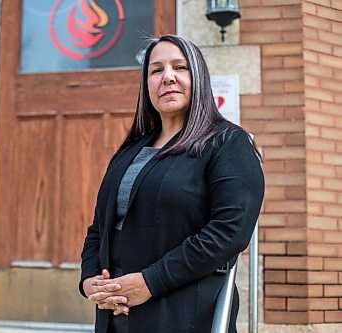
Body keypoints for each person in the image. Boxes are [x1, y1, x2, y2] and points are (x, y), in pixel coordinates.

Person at [78, 34, 265, 333]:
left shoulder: (227, 143)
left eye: (180, 67)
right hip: (116, 317)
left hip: (184, 315)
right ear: (146, 84)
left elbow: (229, 232)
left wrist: (151, 281)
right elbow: (99, 228)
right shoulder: (130, 152)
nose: (168, 77)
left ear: (199, 77)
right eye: (156, 70)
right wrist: (89, 280)